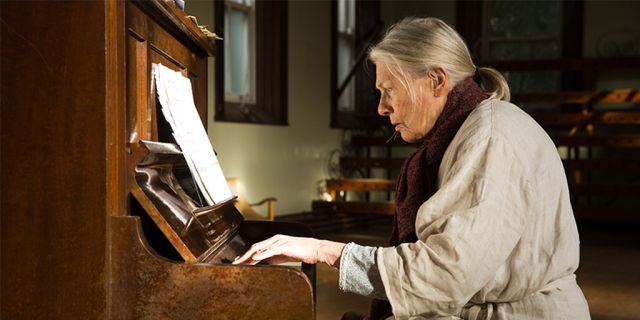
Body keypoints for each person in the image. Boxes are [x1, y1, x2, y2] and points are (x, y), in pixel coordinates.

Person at [234, 17, 590, 320]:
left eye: (389, 89)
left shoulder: (490, 134)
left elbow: (443, 273)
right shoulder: (469, 129)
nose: (381, 108)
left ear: (435, 80)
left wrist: (322, 251)